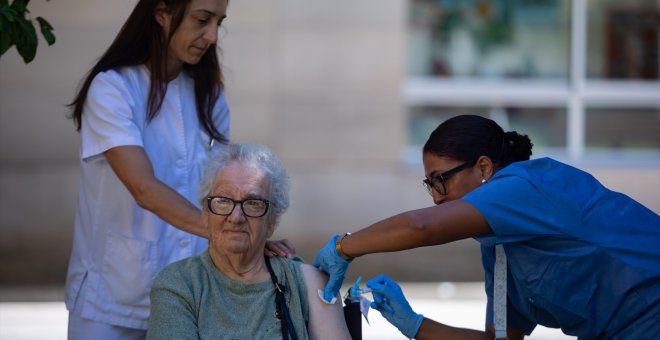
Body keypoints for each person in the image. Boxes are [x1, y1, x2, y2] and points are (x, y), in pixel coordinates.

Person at [313, 115, 660, 339]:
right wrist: (415, 324)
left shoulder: (522, 185)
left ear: (483, 168)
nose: (436, 198)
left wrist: (344, 247)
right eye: (429, 185)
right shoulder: (497, 249)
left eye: (440, 181)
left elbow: (422, 226)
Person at [64, 1, 293, 338]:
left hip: (190, 293)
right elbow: (144, 189)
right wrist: (228, 230)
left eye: (218, 22)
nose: (213, 35)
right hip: (111, 296)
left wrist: (249, 236)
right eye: (202, 20)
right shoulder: (112, 89)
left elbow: (229, 189)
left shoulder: (209, 94)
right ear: (162, 13)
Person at [147, 143, 351, 339]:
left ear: (272, 221)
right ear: (205, 214)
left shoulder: (308, 283)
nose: (236, 217)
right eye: (223, 201)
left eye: (253, 203)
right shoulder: (178, 285)